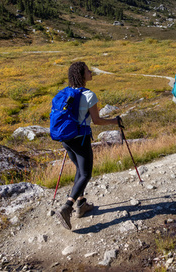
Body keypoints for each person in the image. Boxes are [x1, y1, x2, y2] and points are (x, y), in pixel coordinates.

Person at [57, 61, 122, 230]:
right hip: (81, 138)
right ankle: (67, 206)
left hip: (66, 138)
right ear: (81, 75)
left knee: (79, 169)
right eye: (87, 71)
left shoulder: (64, 93)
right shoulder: (89, 95)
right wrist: (115, 121)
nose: (91, 73)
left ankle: (81, 204)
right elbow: (97, 121)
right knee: (86, 173)